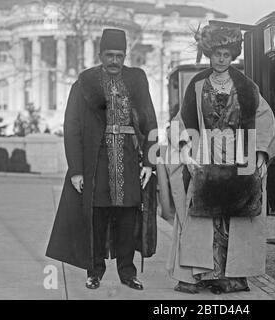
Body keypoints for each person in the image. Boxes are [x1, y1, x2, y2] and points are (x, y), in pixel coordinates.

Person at [165, 25, 275, 294]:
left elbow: (264, 118)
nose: (222, 59)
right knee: (202, 217)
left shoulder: (247, 86)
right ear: (209, 54)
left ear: (234, 54)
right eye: (217, 53)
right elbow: (182, 120)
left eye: (227, 54)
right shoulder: (197, 84)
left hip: (239, 155)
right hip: (205, 154)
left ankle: (231, 276)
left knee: (234, 215)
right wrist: (185, 151)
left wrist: (260, 154)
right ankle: (198, 274)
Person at [46, 28, 158, 290]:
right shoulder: (85, 83)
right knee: (97, 218)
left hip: (130, 160)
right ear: (100, 54)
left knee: (128, 218)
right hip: (97, 162)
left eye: (119, 55)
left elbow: (151, 121)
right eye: (109, 55)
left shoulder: (137, 79)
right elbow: (71, 126)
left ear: (125, 55)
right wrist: (76, 169)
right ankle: (94, 270)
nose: (115, 61)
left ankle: (127, 273)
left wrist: (150, 163)